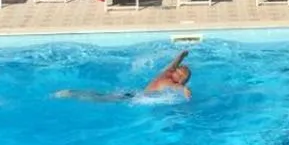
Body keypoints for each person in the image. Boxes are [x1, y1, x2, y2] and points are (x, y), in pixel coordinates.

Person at [55, 50, 192, 102]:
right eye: (184, 80)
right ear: (180, 78)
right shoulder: (168, 82)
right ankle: (70, 93)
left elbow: (175, 63)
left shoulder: (167, 72)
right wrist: (184, 90)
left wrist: (182, 55)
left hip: (133, 93)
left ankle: (72, 93)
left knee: (102, 95)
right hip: (136, 98)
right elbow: (177, 87)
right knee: (100, 99)